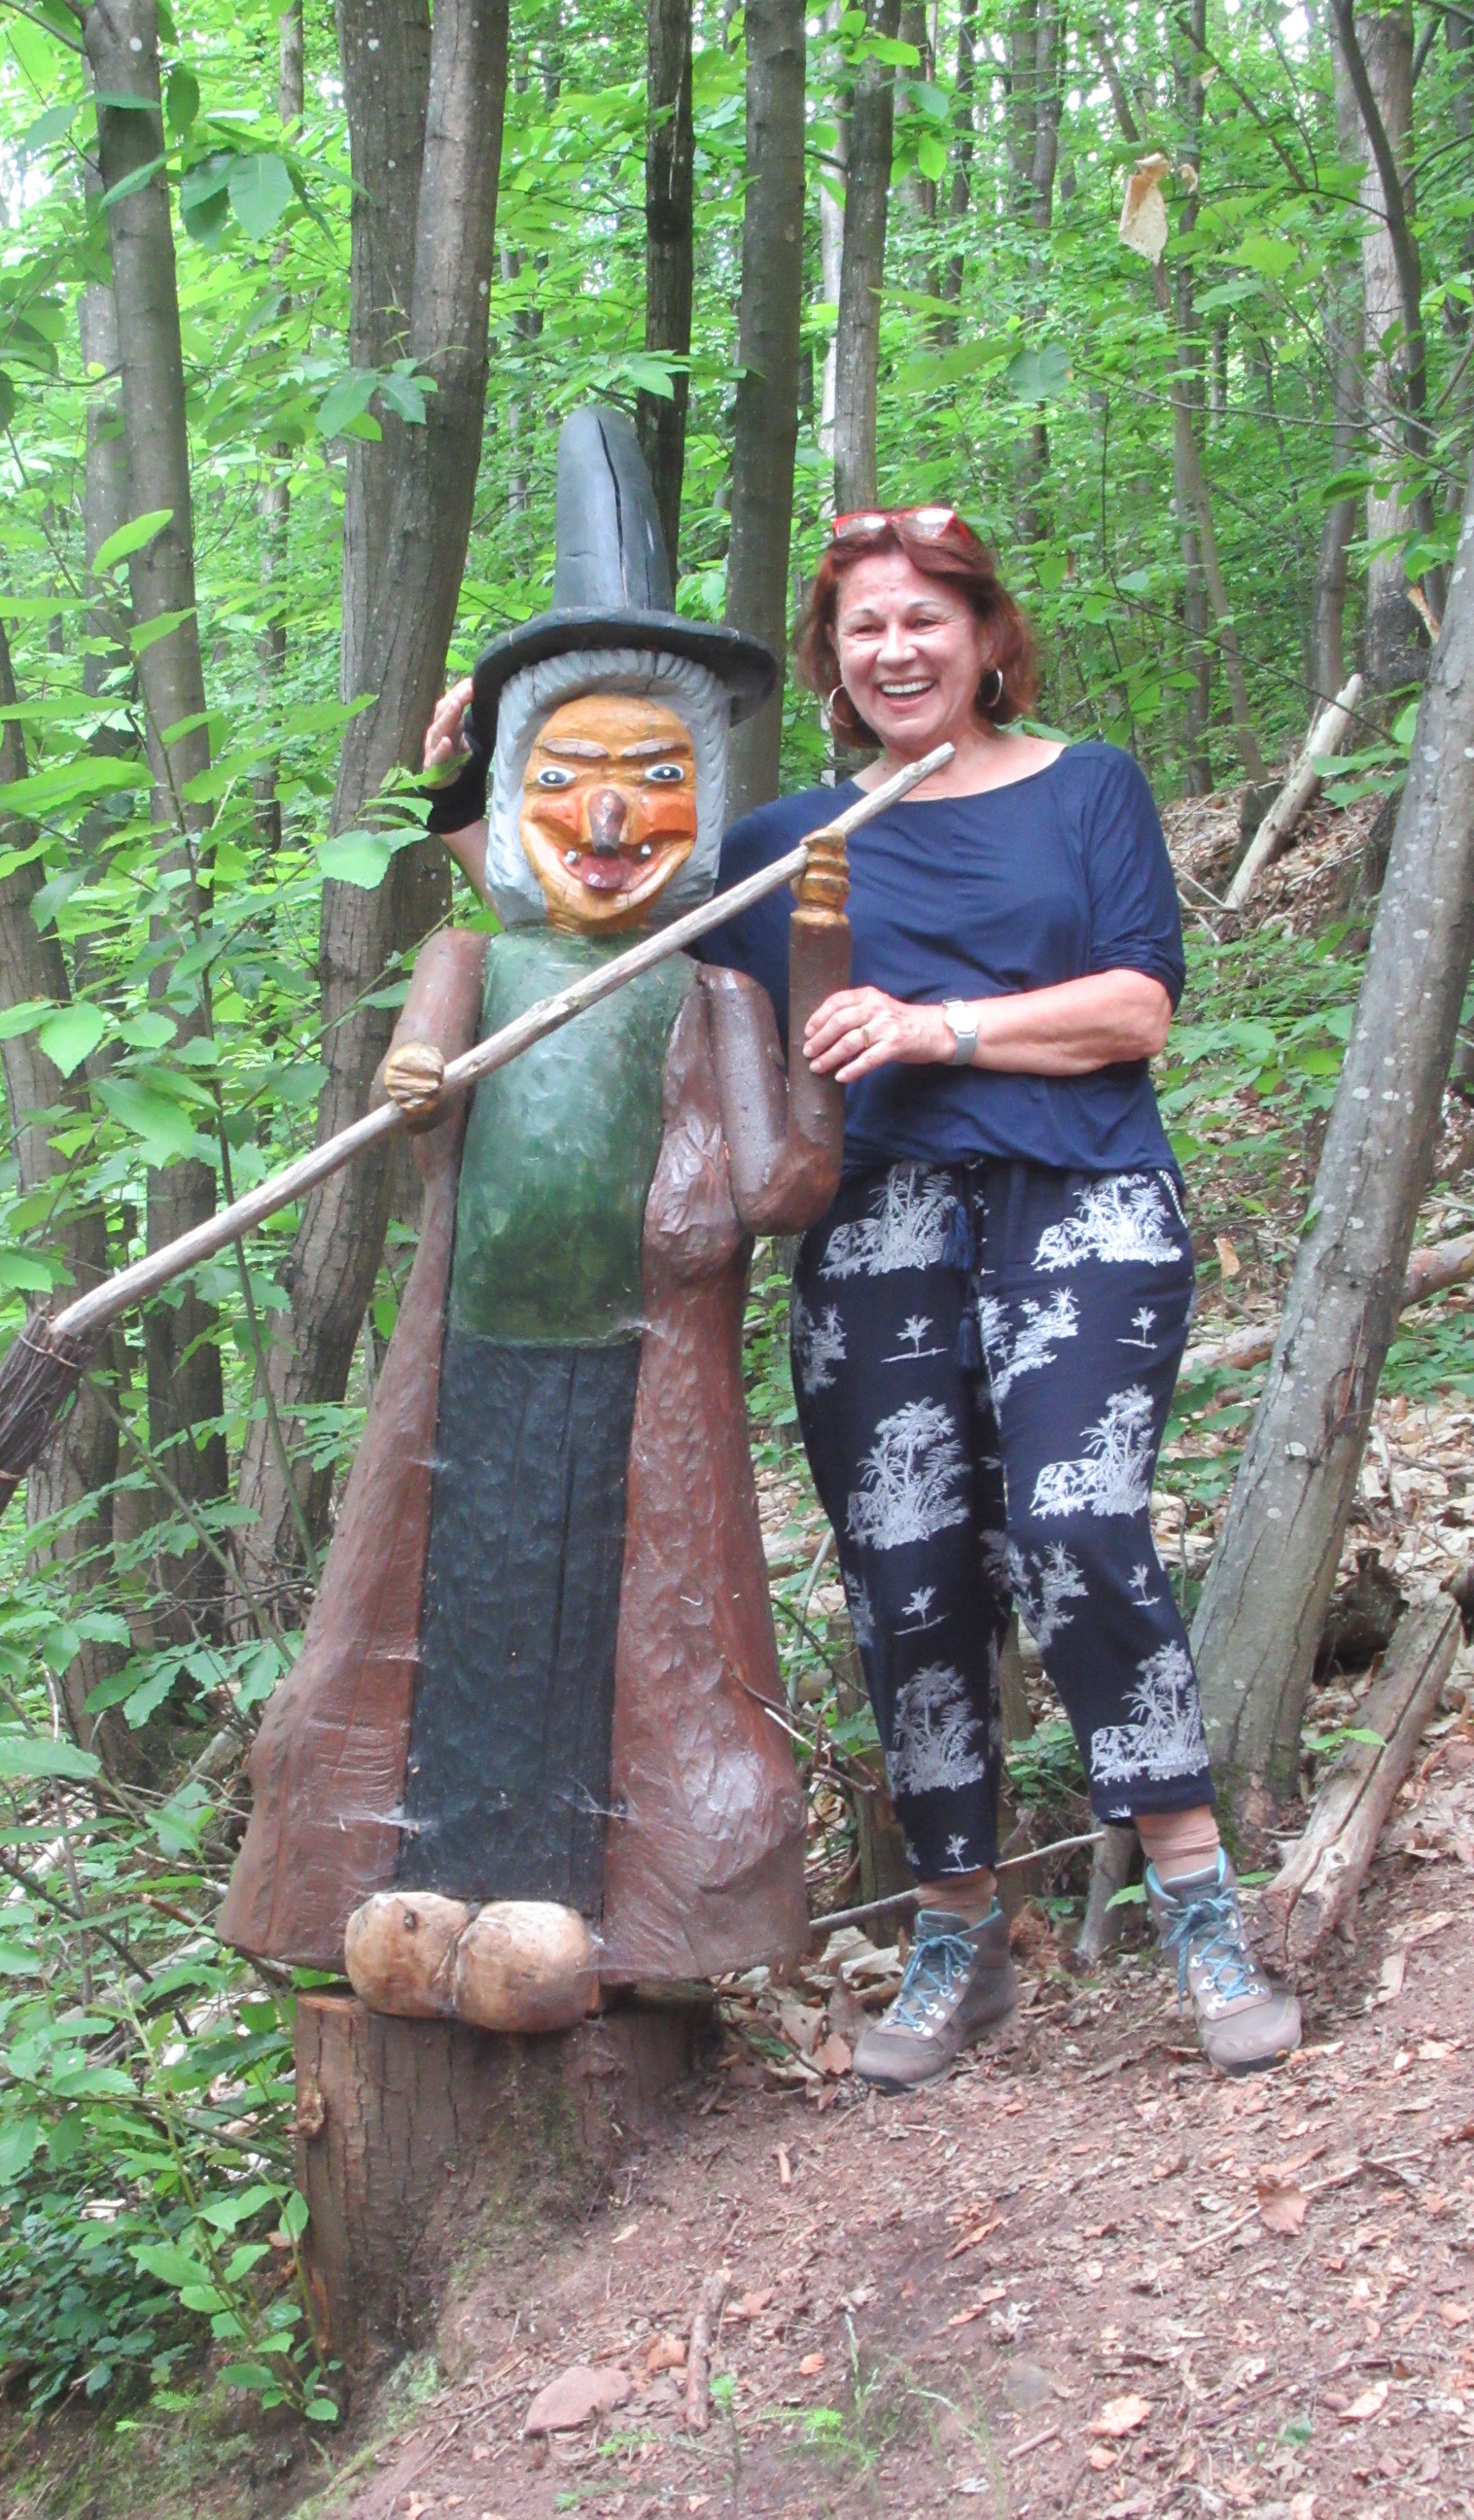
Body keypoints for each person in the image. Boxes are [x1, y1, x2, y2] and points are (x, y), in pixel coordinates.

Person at [429, 502, 1300, 2087]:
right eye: (864, 628)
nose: (896, 650)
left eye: (924, 620)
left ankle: (1197, 1901)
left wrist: (930, 1028)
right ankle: (956, 1930)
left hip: (1079, 1197)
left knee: (1074, 1522)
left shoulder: (1087, 786)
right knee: (905, 1573)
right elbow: (594, 908)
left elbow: (1136, 1007)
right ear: (833, 659)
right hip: (876, 1230)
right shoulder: (783, 842)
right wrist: (465, 777)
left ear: (985, 638)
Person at [221, 411, 849, 2031]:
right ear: (510, 802)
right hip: (473, 1369)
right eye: (566, 781)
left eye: (658, 777)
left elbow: (785, 1189)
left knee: (637, 1638)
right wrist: (420, 1075)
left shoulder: (715, 996)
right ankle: (424, 1888)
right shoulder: (478, 961)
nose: (613, 820)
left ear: (710, 798)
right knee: (454, 1614)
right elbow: (420, 1076)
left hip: (644, 1380)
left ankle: (608, 1919)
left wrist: (825, 986)